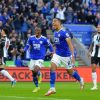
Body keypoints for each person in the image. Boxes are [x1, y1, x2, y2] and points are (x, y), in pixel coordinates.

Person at [45, 18, 84, 96]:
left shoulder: (64, 32)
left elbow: (70, 45)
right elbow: (57, 44)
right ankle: (52, 88)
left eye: (54, 22)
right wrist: (53, 52)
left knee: (70, 72)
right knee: (52, 67)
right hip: (57, 55)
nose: (53, 23)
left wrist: (73, 56)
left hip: (66, 56)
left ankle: (80, 79)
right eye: (52, 22)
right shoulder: (55, 32)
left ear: (59, 23)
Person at [24, 27, 54, 93]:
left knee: (35, 69)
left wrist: (52, 52)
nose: (36, 32)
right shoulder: (31, 38)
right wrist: (24, 50)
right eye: (35, 30)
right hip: (32, 58)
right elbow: (27, 45)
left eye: (37, 30)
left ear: (40, 32)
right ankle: (37, 86)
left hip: (40, 57)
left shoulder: (44, 39)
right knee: (34, 73)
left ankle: (38, 74)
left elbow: (50, 46)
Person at [88, 25, 100, 90]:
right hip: (94, 55)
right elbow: (92, 44)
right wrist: (89, 51)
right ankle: (95, 86)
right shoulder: (95, 36)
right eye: (98, 27)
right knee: (93, 69)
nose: (98, 29)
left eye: (99, 28)